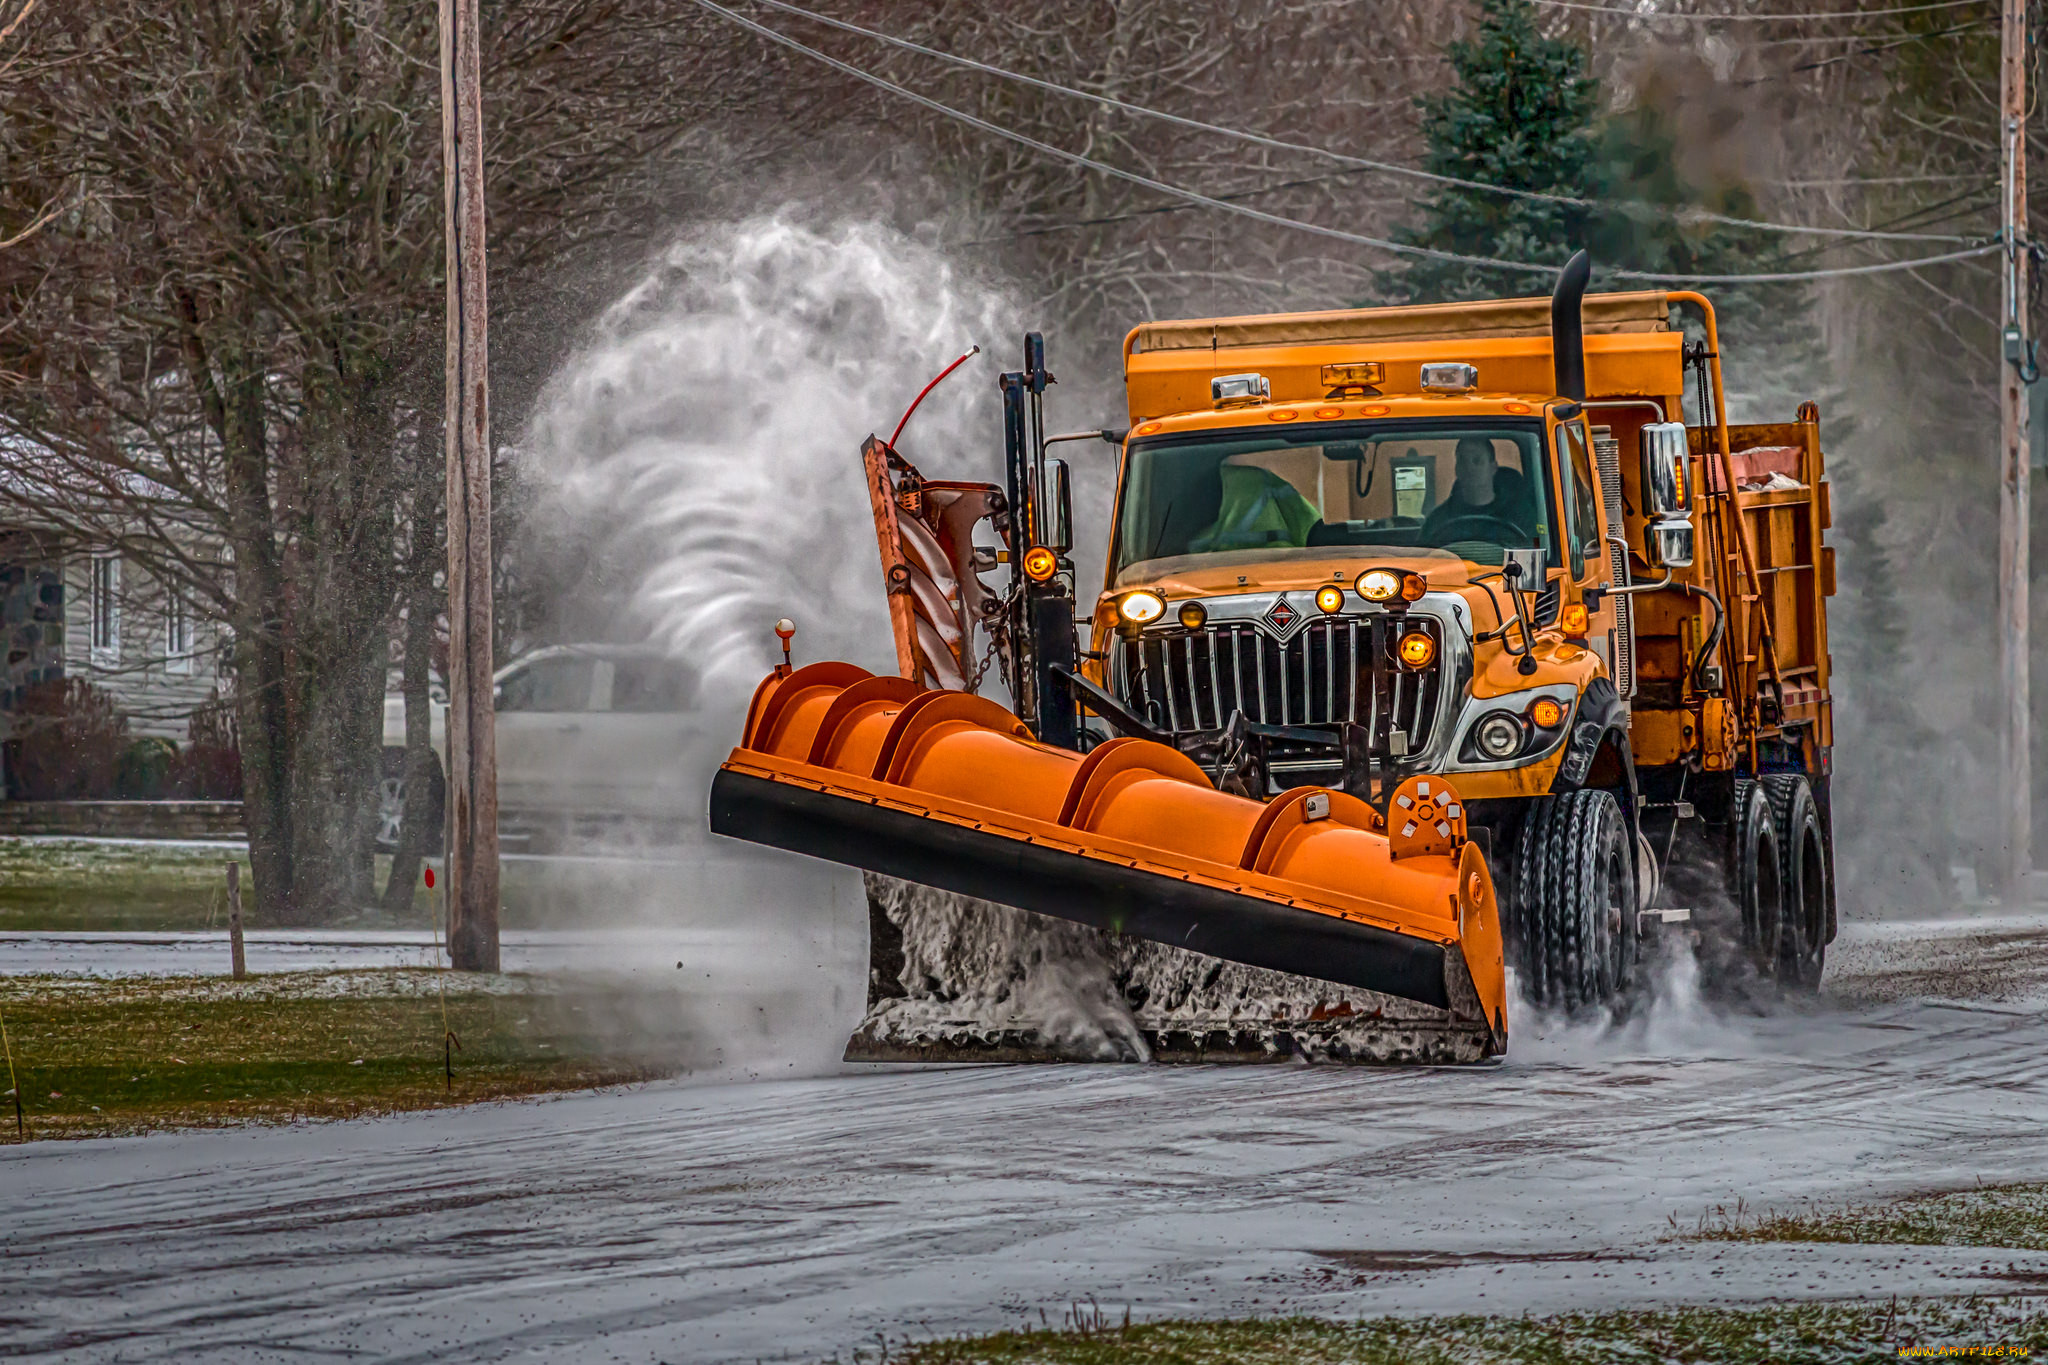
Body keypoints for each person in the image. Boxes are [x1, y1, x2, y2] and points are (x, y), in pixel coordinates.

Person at [1421, 436, 1533, 543]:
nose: (1469, 467)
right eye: (1462, 461)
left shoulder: (1521, 517)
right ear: (1456, 468)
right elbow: (1424, 559)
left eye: (1477, 460)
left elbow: (1537, 551)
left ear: (1493, 467)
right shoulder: (1437, 521)